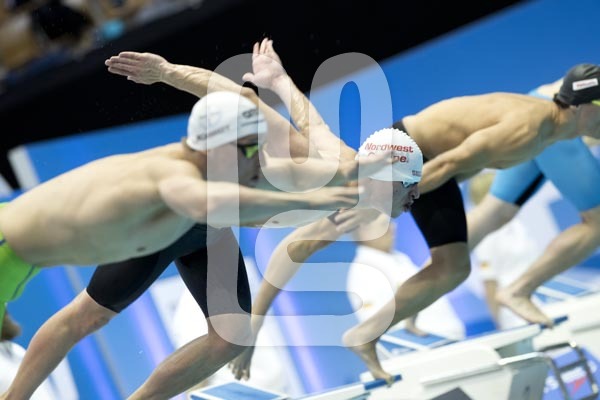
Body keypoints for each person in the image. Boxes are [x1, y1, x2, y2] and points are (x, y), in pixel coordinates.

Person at [1, 49, 418, 400]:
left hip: (211, 228)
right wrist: (167, 72)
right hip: (181, 216)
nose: (416, 199)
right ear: (388, 179)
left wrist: (280, 79)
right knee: (88, 316)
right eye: (412, 189)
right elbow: (233, 97)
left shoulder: (346, 171)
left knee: (229, 337)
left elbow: (313, 123)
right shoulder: (323, 173)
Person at [229, 39, 600, 384]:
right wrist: (382, 198)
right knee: (319, 236)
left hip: (417, 162)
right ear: (584, 108)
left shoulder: (548, 126)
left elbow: (318, 128)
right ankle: (264, 328)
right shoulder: (529, 127)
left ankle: (364, 335)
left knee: (452, 265)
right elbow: (446, 165)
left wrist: (279, 81)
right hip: (408, 158)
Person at [467, 73, 600, 327]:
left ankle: (424, 283)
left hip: (540, 107)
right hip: (559, 116)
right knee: (598, 222)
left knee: (494, 212)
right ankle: (519, 290)